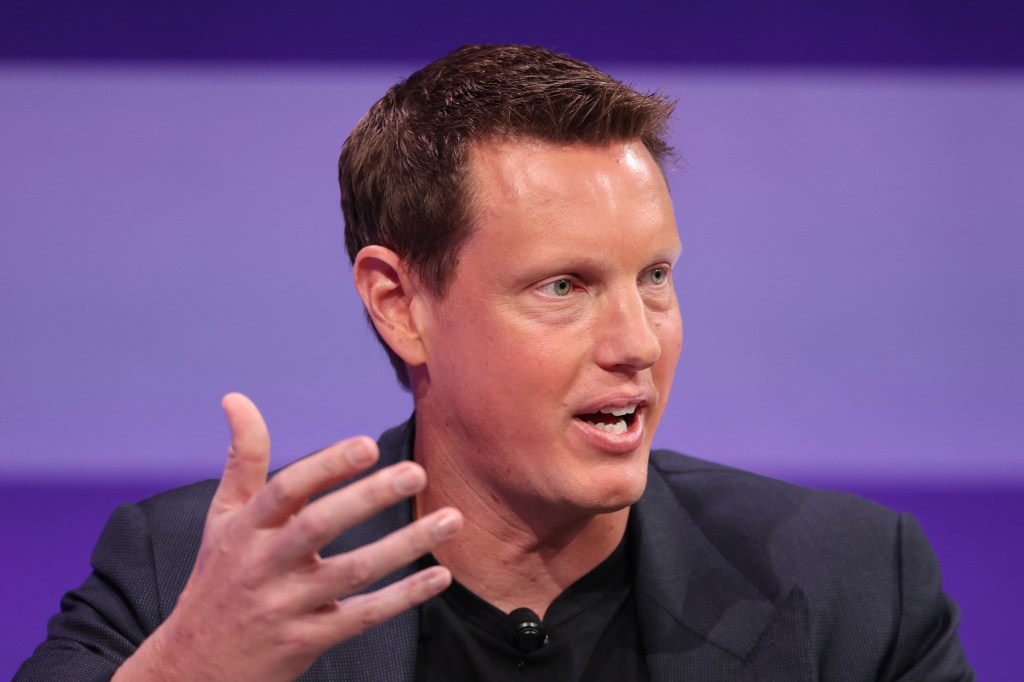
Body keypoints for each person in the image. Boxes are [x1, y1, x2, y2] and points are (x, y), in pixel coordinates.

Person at [18, 44, 973, 681]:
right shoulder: (186, 577)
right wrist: (188, 671)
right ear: (400, 304)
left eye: (654, 277)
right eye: (563, 285)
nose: (637, 343)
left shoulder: (853, 587)